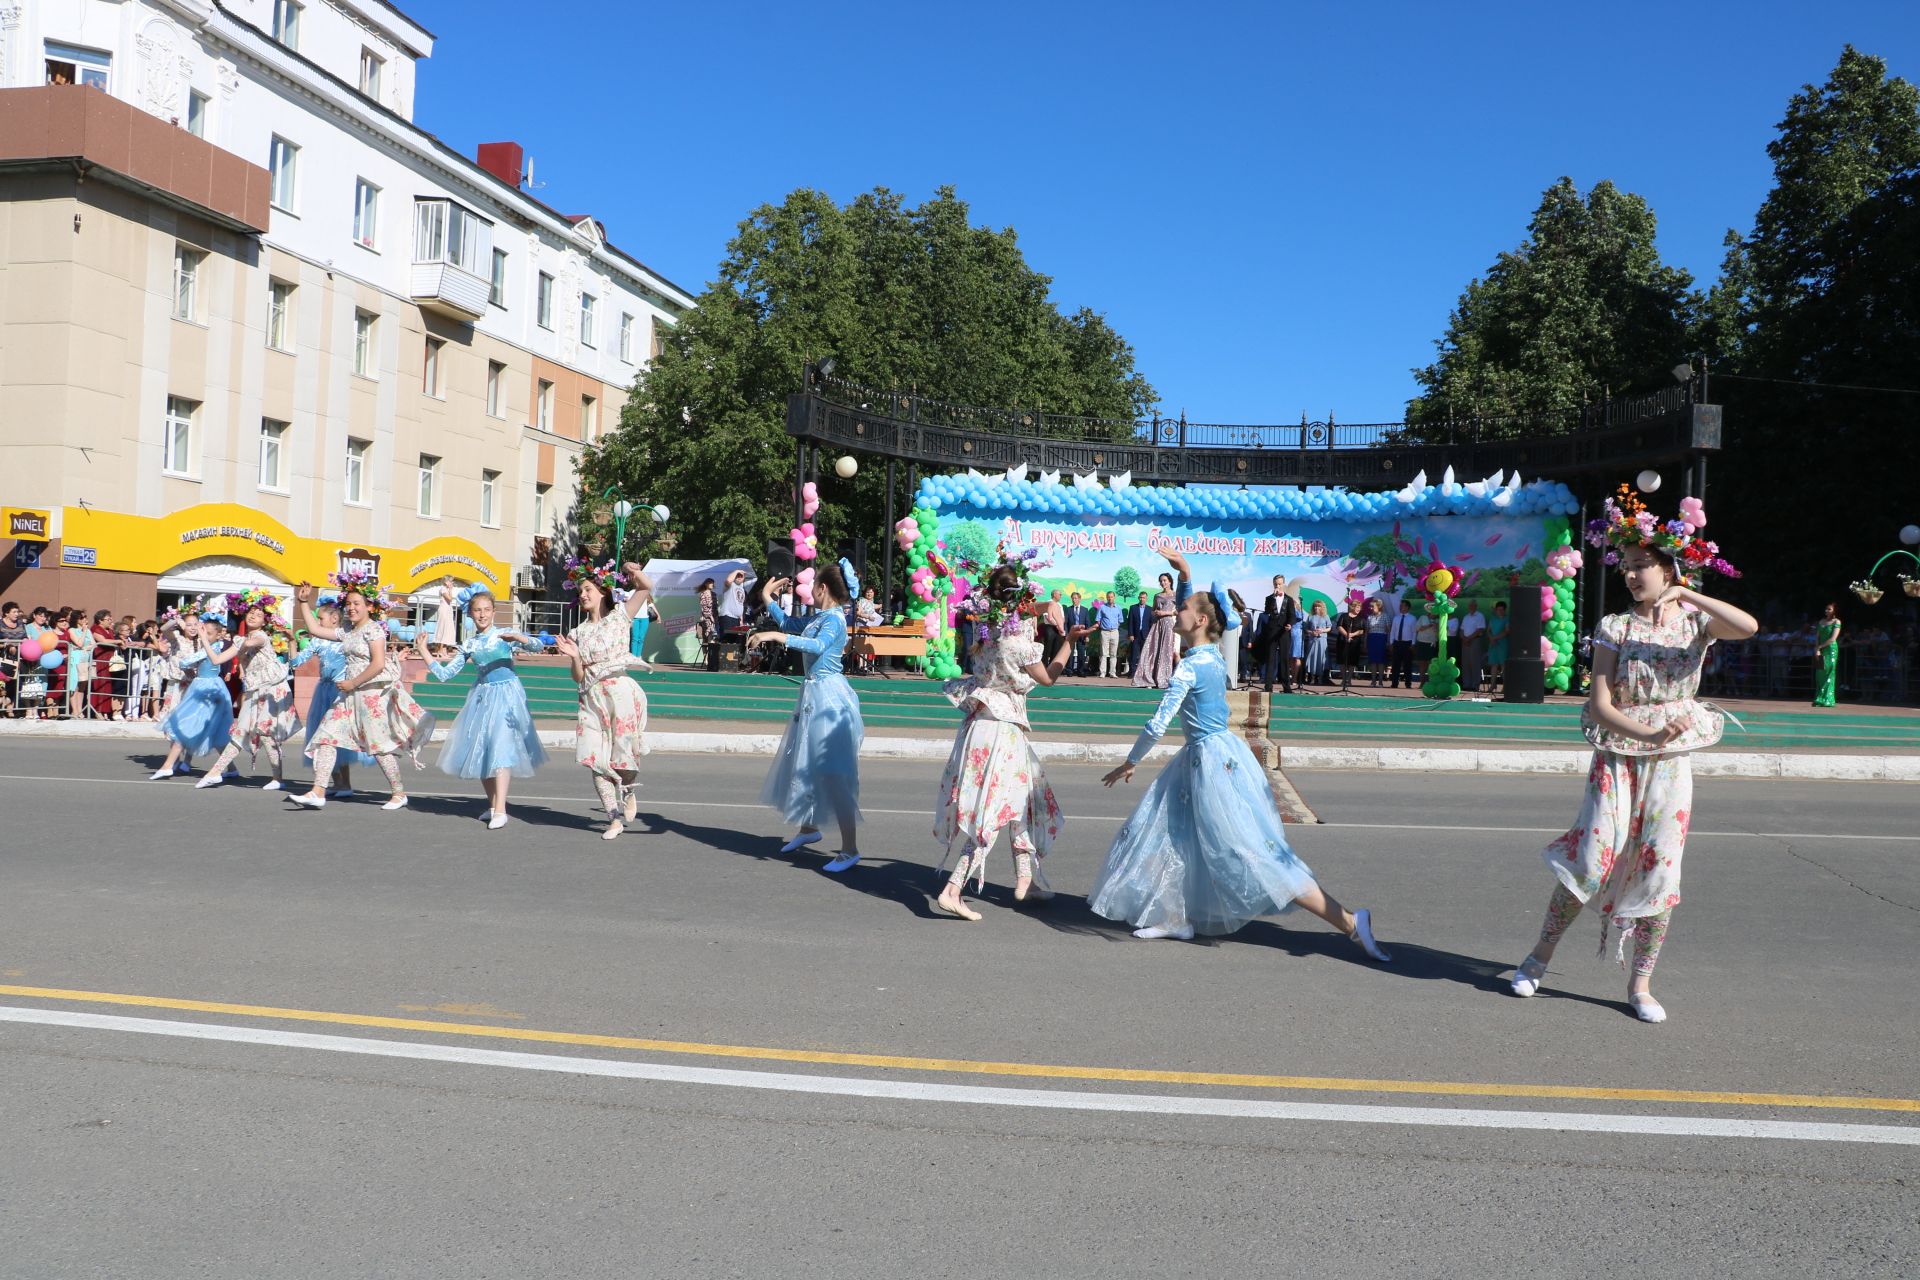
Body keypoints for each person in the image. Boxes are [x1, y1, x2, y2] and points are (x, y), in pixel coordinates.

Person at [1508, 490, 1755, 1023]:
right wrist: (1645, 735)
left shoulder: (1694, 625)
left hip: (1672, 761)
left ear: (1668, 571)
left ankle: (1641, 983)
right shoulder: (1616, 627)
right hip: (1619, 754)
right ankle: (1537, 958)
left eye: (1644, 566)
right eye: (1628, 567)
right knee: (1592, 860)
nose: (1632, 575)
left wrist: (1689, 593)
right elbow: (1598, 704)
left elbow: (1748, 626)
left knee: (1660, 867)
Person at [1088, 588, 1391, 959]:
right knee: (1172, 836)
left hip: (1210, 763)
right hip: (1212, 756)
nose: (1173, 611)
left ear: (1199, 621)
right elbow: (1216, 616)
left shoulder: (1189, 665)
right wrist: (1184, 576)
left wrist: (1131, 761)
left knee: (1251, 850)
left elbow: (1157, 724)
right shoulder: (1212, 656)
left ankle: (1349, 920)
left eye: (1181, 608)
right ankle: (1174, 917)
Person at [931, 560, 1086, 920]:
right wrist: (1068, 642)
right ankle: (953, 889)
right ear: (1019, 597)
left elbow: (1028, 610)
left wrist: (1048, 608)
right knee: (993, 811)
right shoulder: (1018, 642)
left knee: (1022, 802)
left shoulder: (987, 632)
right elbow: (1047, 678)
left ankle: (1026, 879)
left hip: (980, 726)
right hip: (1002, 730)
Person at [750, 559, 864, 872]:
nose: (809, 590)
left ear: (822, 588)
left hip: (830, 699)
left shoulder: (835, 621)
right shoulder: (820, 617)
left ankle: (850, 849)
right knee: (804, 763)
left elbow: (816, 646)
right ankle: (809, 829)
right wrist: (767, 600)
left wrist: (774, 637)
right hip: (813, 695)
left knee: (833, 772)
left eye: (812, 585)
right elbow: (789, 625)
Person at [289, 574, 437, 812]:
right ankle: (318, 791)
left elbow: (378, 664)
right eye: (348, 604)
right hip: (348, 697)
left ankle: (399, 793)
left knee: (378, 747)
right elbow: (315, 628)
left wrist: (353, 682)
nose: (351, 608)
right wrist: (304, 602)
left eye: (357, 603)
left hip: (371, 696)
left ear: (368, 606)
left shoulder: (374, 630)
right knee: (326, 735)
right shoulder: (347, 630)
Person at [416, 589, 547, 829]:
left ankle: (501, 810)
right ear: (470, 614)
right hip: (482, 698)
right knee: (482, 750)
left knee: (501, 748)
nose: (482, 614)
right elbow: (446, 675)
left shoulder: (504, 635)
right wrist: (424, 650)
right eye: (477, 610)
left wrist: (520, 639)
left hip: (507, 696)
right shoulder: (469, 643)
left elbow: (538, 647)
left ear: (494, 612)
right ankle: (493, 805)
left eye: (487, 610)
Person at [554, 559, 653, 840]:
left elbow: (646, 587)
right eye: (580, 592)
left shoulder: (621, 616)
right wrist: (574, 657)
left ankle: (629, 789)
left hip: (620, 694)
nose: (582, 595)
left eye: (587, 589)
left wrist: (634, 573)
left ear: (602, 591)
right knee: (595, 758)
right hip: (591, 697)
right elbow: (578, 676)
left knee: (623, 758)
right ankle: (613, 818)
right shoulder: (577, 633)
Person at [201, 598, 301, 790]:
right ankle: (214, 773)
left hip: (273, 689)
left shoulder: (261, 636)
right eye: (251, 613)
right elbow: (217, 659)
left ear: (264, 622)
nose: (253, 616)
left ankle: (278, 779)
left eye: (258, 615)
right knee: (240, 731)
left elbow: (250, 642)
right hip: (256, 690)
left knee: (266, 733)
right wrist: (205, 639)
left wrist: (238, 646)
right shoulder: (240, 641)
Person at [152, 608, 239, 779]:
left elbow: (187, 661)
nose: (199, 632)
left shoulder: (211, 645)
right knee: (212, 731)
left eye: (204, 630)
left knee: (187, 725)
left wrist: (194, 655)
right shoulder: (209, 644)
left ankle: (169, 765)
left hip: (207, 689)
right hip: (202, 686)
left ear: (217, 634)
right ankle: (231, 768)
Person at [297, 598, 366, 799]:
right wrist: (292, 645)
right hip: (323, 691)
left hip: (339, 691)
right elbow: (299, 660)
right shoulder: (318, 640)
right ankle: (338, 783)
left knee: (336, 738)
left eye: (321, 618)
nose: (318, 622)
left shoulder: (346, 637)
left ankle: (343, 784)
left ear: (335, 618)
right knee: (325, 737)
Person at [1132, 572, 1180, 689]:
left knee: (1167, 651)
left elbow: (1179, 611)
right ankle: (1149, 679)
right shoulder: (1157, 596)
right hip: (1157, 625)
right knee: (1152, 650)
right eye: (1161, 581)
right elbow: (1153, 610)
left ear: (1170, 581)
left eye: (1165, 580)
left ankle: (1165, 679)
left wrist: (1165, 613)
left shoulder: (1176, 595)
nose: (1163, 583)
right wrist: (1156, 613)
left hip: (1169, 624)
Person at [1256, 576, 1299, 693]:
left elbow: (1292, 616)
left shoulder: (1289, 599)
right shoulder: (1269, 598)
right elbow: (1266, 612)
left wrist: (1290, 624)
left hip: (1284, 631)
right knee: (1270, 658)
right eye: (1276, 584)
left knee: (1284, 658)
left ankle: (1286, 686)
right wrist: (1273, 598)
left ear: (1283, 584)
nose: (1277, 586)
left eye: (1279, 584)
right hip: (1272, 631)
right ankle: (1268, 686)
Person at [1813, 602, 1841, 707]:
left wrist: (1820, 646)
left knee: (1829, 673)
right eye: (1826, 609)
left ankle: (1828, 699)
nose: (1827, 611)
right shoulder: (1821, 621)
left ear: (1834, 610)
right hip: (1821, 649)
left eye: (1829, 609)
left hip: (1830, 650)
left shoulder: (1837, 621)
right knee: (1820, 673)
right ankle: (1819, 698)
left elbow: (1833, 638)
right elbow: (1817, 637)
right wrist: (1817, 648)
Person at [1334, 597, 1367, 686]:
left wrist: (1353, 634)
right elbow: (1339, 626)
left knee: (1352, 661)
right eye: (1357, 607)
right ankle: (1344, 679)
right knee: (1342, 660)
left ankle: (1349, 679)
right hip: (1342, 641)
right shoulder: (1343, 616)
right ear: (1352, 607)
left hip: (1355, 643)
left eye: (1360, 608)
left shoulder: (1361, 619)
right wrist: (1346, 635)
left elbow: (1363, 630)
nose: (1359, 609)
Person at [1458, 599, 1488, 692]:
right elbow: (1462, 629)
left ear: (1476, 606)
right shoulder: (1466, 617)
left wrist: (1469, 638)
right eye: (1470, 605)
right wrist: (1464, 638)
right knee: (1466, 663)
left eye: (1473, 605)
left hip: (1475, 641)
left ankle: (1475, 685)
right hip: (1465, 642)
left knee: (1475, 663)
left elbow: (1480, 629)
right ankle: (1467, 684)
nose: (1471, 607)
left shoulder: (1480, 616)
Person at [1388, 598, 1418, 688]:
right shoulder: (1396, 618)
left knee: (1407, 665)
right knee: (1395, 664)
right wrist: (1391, 642)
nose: (1401, 607)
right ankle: (1394, 683)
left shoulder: (1412, 618)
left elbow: (1414, 632)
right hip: (1397, 643)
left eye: (1403, 605)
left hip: (1407, 644)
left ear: (1408, 607)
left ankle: (1408, 684)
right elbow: (1393, 631)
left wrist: (1413, 643)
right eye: (1400, 605)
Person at [1094, 591, 1122, 679]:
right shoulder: (1102, 607)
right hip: (1104, 632)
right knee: (1103, 653)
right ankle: (1102, 672)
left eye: (1112, 597)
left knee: (1113, 653)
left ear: (1114, 597)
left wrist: (1115, 626)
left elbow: (1120, 620)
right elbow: (1098, 619)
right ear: (1106, 598)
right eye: (1108, 597)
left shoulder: (1118, 608)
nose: (1110, 598)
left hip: (1114, 632)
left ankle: (1112, 673)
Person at [1124, 591, 1153, 677]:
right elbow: (1130, 622)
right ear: (1138, 598)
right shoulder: (1133, 608)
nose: (1142, 599)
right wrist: (1131, 634)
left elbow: (1151, 624)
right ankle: (1132, 673)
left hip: (1145, 635)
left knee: (1145, 655)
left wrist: (1150, 636)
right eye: (1140, 597)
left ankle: (1144, 673)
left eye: (1143, 597)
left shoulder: (1150, 609)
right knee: (1133, 654)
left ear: (1146, 599)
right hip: (1135, 635)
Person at [1303, 599, 1332, 683]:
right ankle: (1311, 677)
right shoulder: (1310, 617)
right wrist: (1312, 632)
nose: (1316, 608)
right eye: (1315, 606)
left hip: (1322, 640)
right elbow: (1306, 629)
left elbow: (1329, 628)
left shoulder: (1326, 616)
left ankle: (1321, 677)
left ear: (1322, 607)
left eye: (1318, 606)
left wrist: (1322, 631)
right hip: (1313, 640)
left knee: (1321, 657)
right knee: (1312, 658)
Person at [1363, 598, 1390, 687]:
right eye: (1370, 606)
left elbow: (1388, 630)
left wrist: (1389, 642)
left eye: (1372, 606)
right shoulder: (1369, 617)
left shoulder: (1385, 616)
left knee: (1381, 662)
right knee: (1373, 661)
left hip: (1382, 639)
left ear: (1379, 606)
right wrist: (1365, 642)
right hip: (1372, 639)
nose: (1370, 608)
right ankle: (1373, 681)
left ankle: (1381, 681)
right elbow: (1367, 631)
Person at [1063, 591, 1091, 676]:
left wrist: (1087, 635)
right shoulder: (1068, 609)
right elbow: (1066, 623)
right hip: (1071, 634)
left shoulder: (1085, 610)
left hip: (1081, 634)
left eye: (1075, 598)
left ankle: (1081, 671)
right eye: (1072, 598)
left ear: (1079, 599)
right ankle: (1069, 671)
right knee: (1070, 653)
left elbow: (1087, 623)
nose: (1074, 600)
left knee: (1081, 652)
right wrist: (1066, 634)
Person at [1487, 601, 1510, 693]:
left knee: (1503, 665)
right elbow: (1488, 631)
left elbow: (1507, 631)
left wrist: (1495, 638)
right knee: (1494, 665)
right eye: (1498, 609)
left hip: (1503, 644)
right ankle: (1492, 685)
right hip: (1493, 645)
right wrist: (1491, 638)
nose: (1499, 611)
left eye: (1501, 609)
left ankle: (1505, 687)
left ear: (1505, 610)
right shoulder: (1493, 619)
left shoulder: (1507, 619)